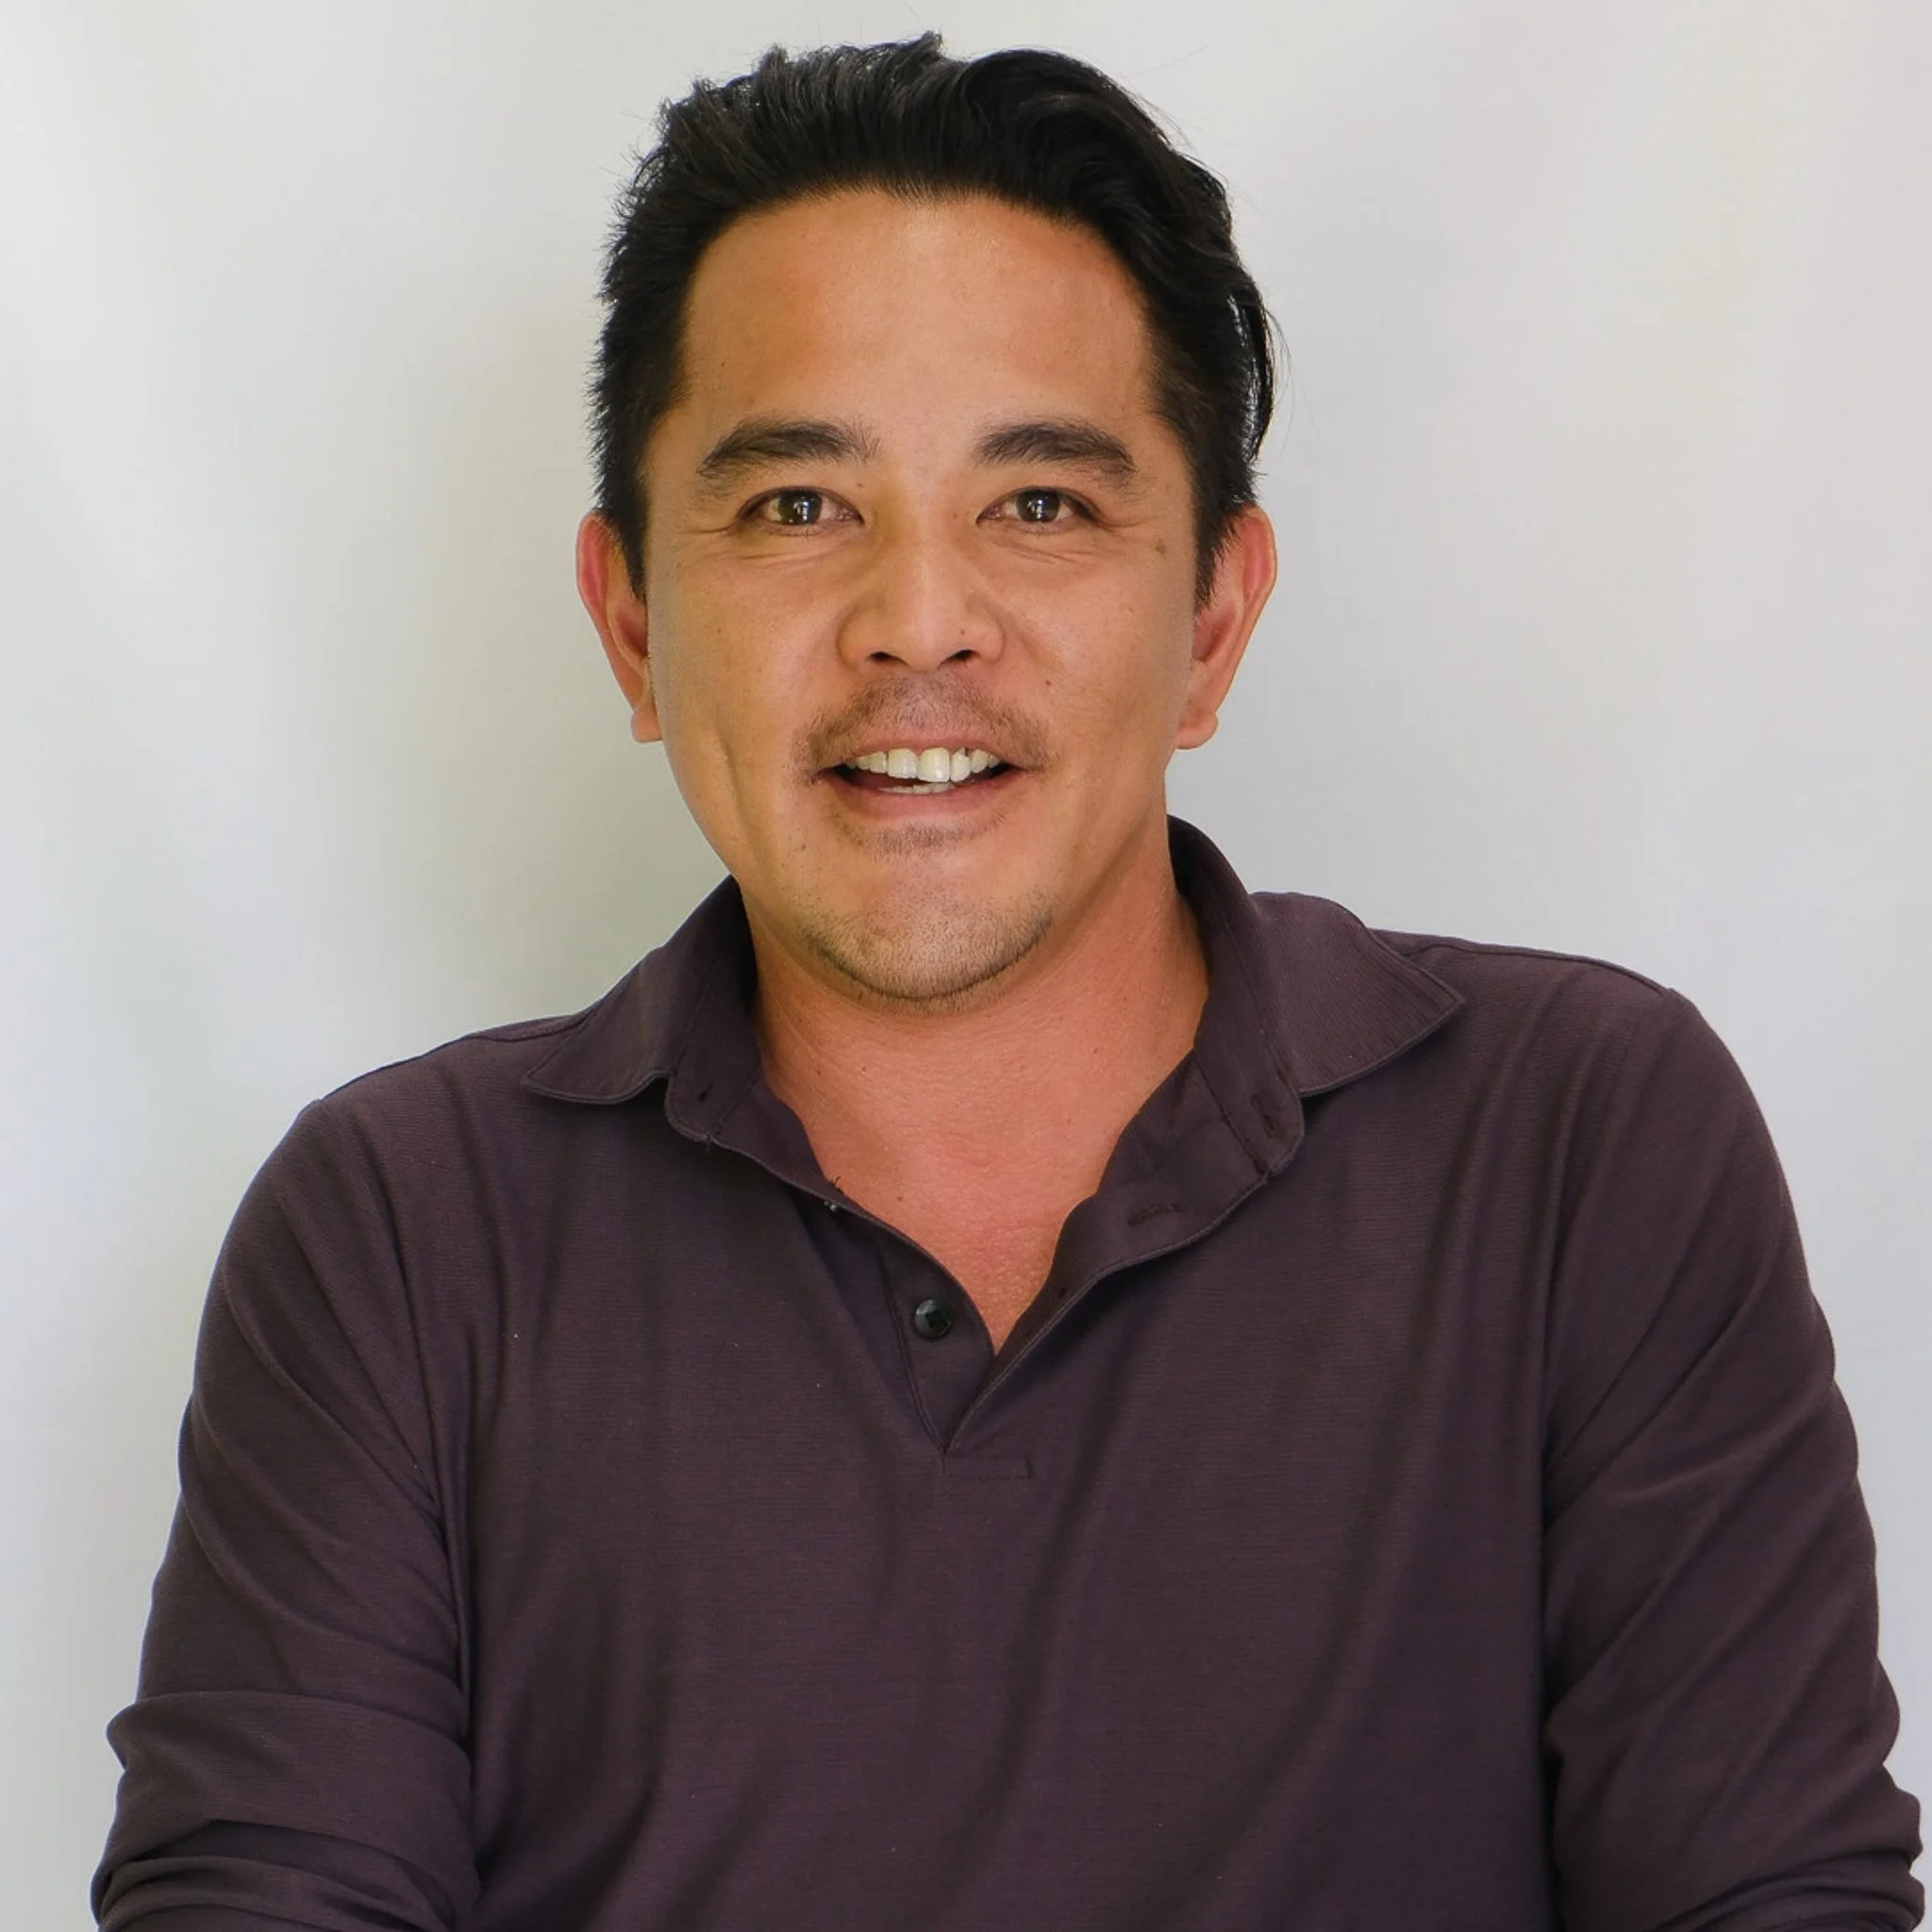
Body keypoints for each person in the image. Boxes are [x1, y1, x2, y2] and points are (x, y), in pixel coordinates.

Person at [93, 35, 1921, 1931]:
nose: (917, 618)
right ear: (632, 622)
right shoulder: (400, 1228)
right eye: (799, 505)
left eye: (1039, 505)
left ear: (1209, 621)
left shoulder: (1582, 1142)